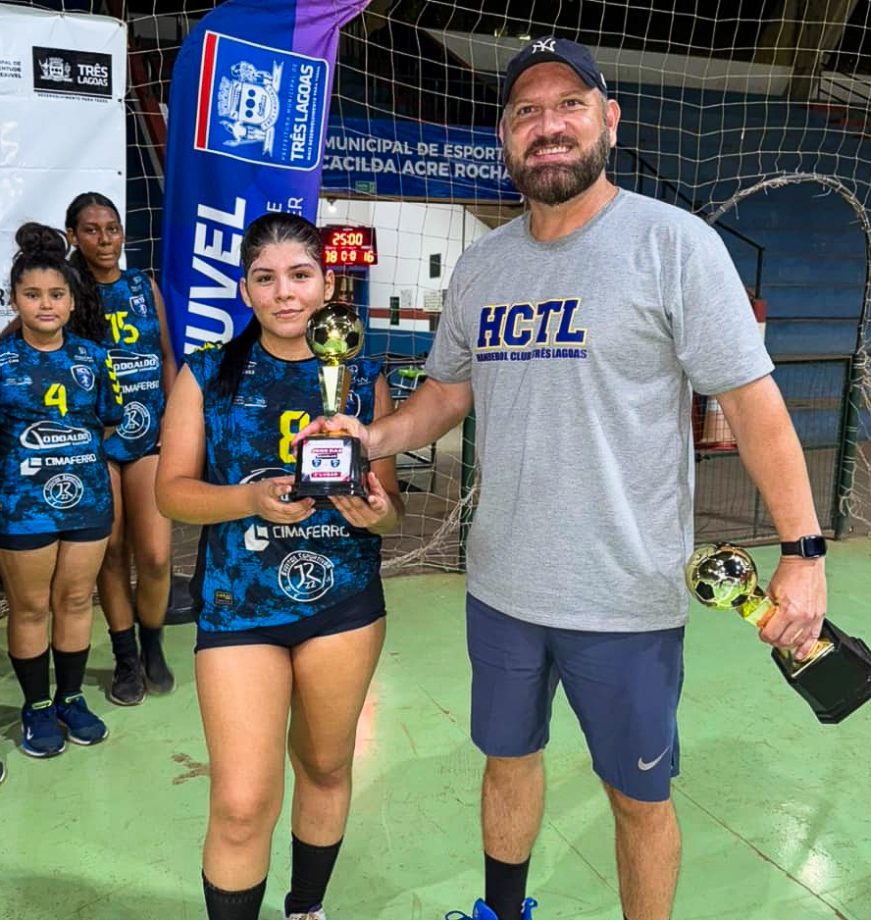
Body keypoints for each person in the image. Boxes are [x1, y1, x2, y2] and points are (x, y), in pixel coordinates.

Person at [299, 37, 828, 920]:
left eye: (569, 106)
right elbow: (446, 393)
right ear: (506, 137)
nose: (548, 127)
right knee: (506, 762)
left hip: (626, 595)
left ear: (608, 122)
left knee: (638, 799)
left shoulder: (674, 245)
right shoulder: (485, 265)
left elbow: (755, 403)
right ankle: (501, 912)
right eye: (527, 112)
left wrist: (804, 550)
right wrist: (369, 434)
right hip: (503, 584)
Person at [155, 211, 404, 920]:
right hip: (241, 608)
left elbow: (392, 512)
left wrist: (372, 508)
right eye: (266, 279)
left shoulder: (362, 378)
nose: (285, 293)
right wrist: (247, 500)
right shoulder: (207, 374)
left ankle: (305, 908)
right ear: (246, 288)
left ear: (326, 283)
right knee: (240, 802)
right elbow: (171, 494)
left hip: (343, 603)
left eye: (300, 276)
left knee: (325, 766)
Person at [0, 222, 124, 758]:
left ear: (73, 301)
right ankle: (37, 708)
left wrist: (69, 457)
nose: (45, 304)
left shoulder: (94, 358)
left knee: (76, 600)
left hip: (87, 500)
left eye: (56, 294)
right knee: (29, 609)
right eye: (32, 294)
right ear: (14, 299)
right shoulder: (2, 360)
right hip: (22, 508)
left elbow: (111, 422)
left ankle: (71, 698)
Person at [65, 192, 178, 705]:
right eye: (92, 230)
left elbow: (168, 356)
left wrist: (177, 423)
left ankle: (153, 642)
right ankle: (126, 656)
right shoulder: (67, 291)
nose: (105, 239)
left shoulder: (142, 285)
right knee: (112, 551)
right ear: (74, 236)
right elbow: (32, 338)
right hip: (98, 438)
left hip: (150, 434)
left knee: (154, 556)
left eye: (112, 228)